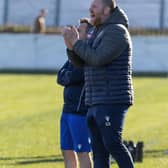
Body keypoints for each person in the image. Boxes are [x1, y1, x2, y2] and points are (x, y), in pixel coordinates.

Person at [62, 0, 134, 168]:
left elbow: (97, 59)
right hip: (96, 99)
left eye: (95, 6)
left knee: (112, 144)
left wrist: (77, 43)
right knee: (99, 150)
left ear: (107, 9)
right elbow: (84, 62)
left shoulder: (117, 31)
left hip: (112, 99)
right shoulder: (101, 31)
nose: (90, 9)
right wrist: (71, 47)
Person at [57, 20, 92, 168]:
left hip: (80, 112)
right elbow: (60, 76)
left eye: (80, 31)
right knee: (66, 150)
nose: (76, 33)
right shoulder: (74, 54)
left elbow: (74, 76)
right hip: (67, 110)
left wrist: (68, 77)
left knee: (82, 152)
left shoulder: (88, 55)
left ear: (89, 35)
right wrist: (68, 77)